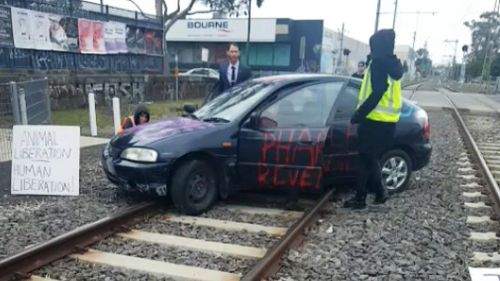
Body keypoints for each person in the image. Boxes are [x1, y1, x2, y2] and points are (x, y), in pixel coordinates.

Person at [344, 29, 403, 209]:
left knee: (364, 159)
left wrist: (358, 114)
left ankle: (361, 198)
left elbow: (377, 91)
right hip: (389, 122)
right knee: (371, 158)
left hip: (374, 120)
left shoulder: (378, 63)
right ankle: (379, 193)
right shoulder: (393, 65)